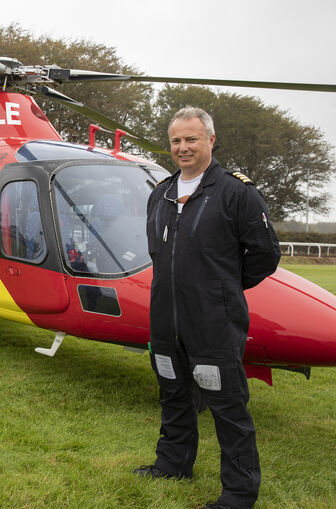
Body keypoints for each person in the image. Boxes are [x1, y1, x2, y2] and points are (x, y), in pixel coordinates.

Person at [136, 106, 280, 509]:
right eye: (176, 141)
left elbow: (265, 255)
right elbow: (157, 252)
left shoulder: (237, 192)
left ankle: (238, 492)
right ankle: (173, 463)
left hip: (214, 321)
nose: (183, 147)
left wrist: (221, 289)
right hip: (165, 318)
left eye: (192, 139)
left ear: (210, 141)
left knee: (227, 407)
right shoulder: (160, 193)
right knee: (172, 393)